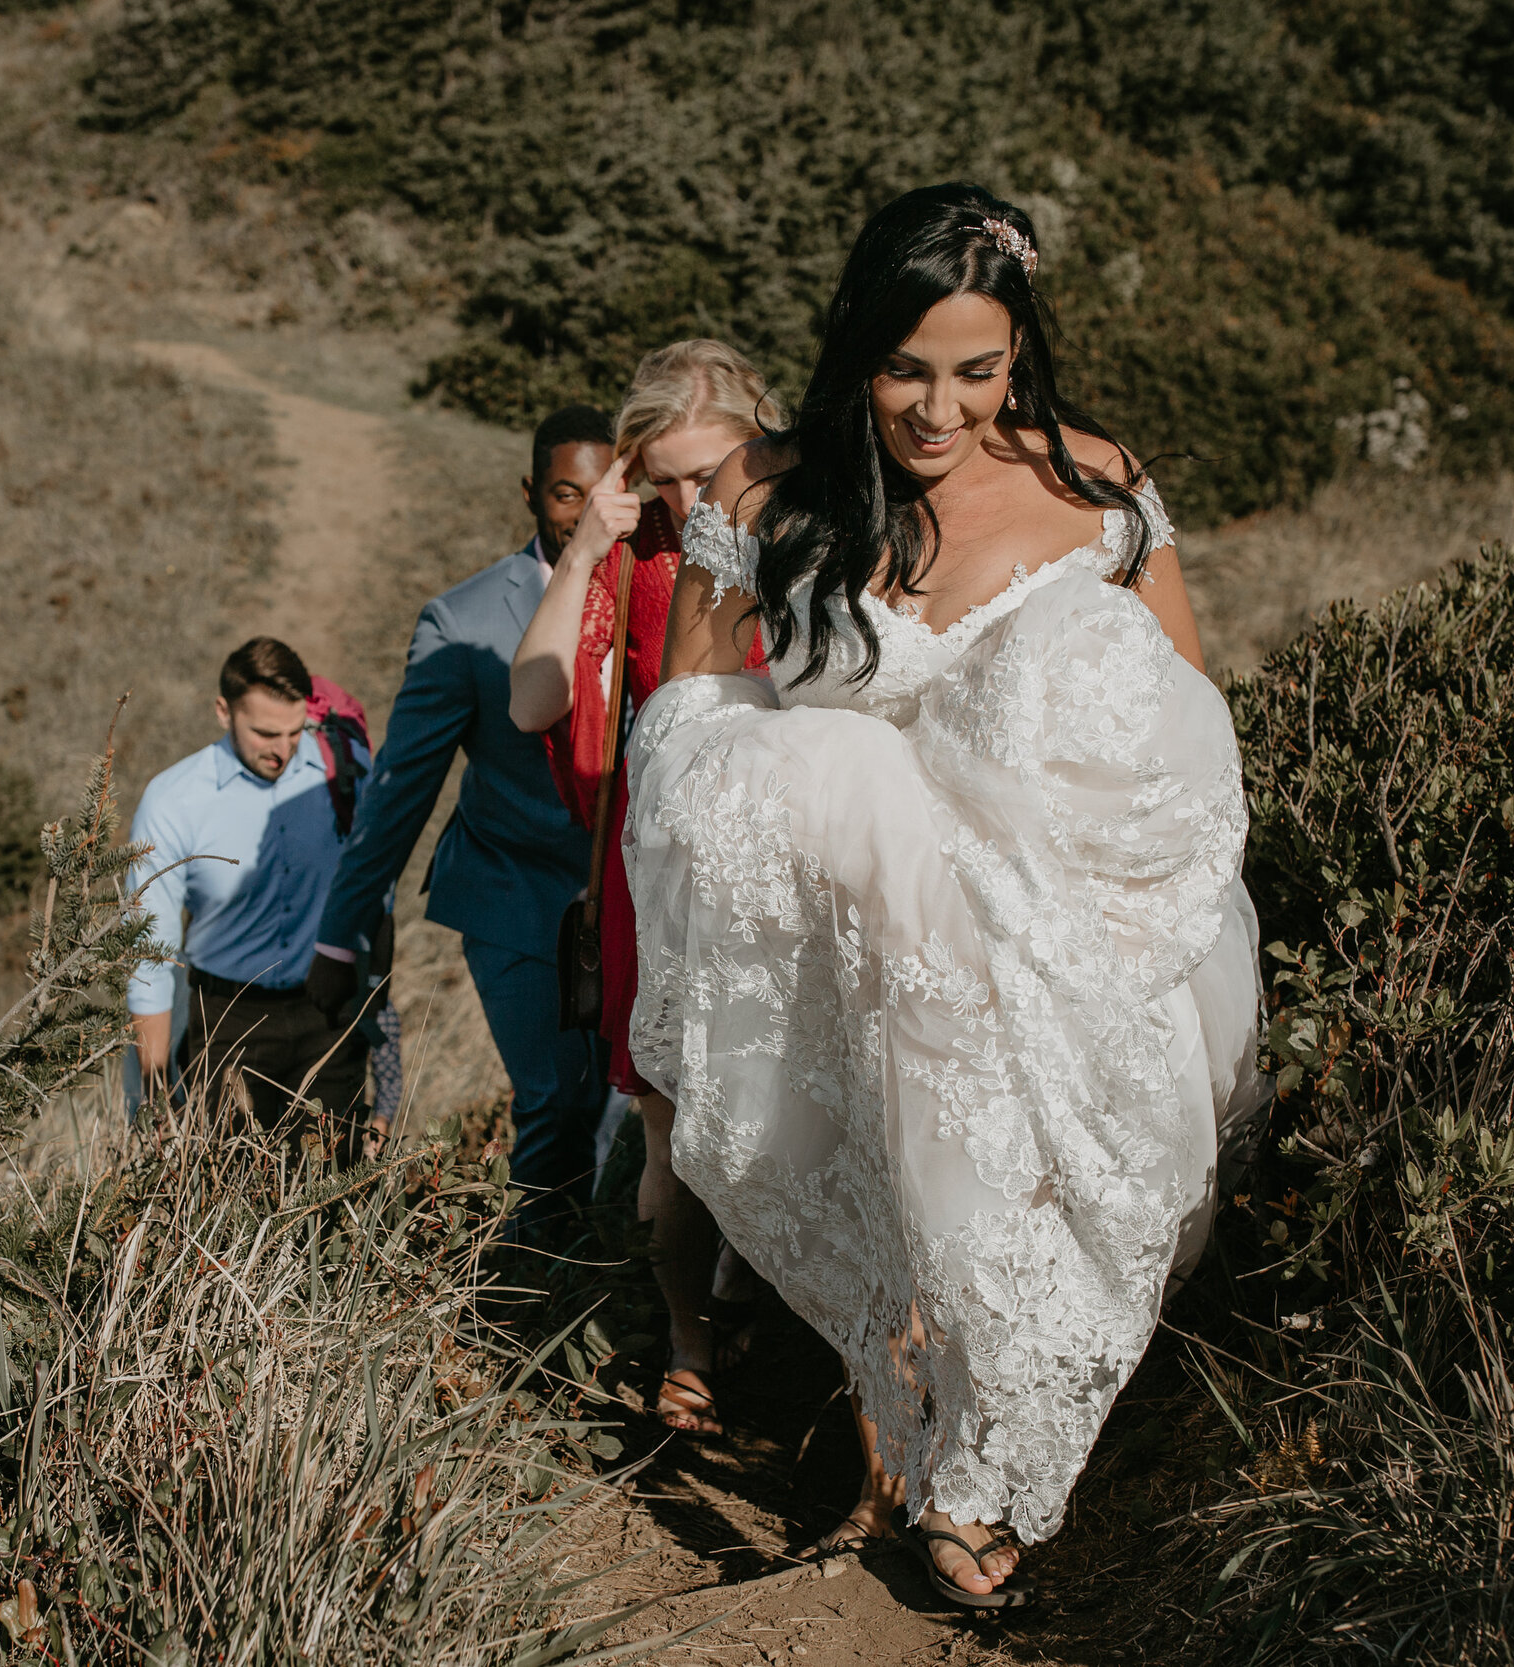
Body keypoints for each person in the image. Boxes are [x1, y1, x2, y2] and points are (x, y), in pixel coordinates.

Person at [623, 185, 1267, 1608]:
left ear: (1021, 351)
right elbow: (680, 723)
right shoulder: (768, 496)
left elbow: (1181, 708)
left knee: (1008, 1187)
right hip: (834, 928)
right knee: (896, 1199)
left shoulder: (1094, 484)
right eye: (908, 367)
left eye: (979, 371)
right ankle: (885, 1454)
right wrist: (832, 787)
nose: (939, 407)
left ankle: (972, 1479)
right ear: (858, 343)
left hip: (1032, 917)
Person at [508, 341, 780, 1435]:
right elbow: (534, 705)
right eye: (661, 473)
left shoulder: (813, 532)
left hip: (779, 844)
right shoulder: (634, 555)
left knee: (781, 1099)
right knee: (668, 1118)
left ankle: (765, 1298)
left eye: (705, 467)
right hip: (656, 866)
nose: (686, 495)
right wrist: (583, 551)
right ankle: (688, 1340)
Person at [306, 408, 620, 1223]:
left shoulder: (660, 587)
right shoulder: (463, 620)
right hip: (514, 890)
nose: (585, 512)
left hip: (629, 898)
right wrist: (340, 936)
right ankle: (532, 1297)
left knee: (632, 1105)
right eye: (563, 492)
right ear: (529, 493)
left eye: (602, 490)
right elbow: (401, 792)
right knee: (558, 1098)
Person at [126, 637, 383, 1162]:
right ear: (224, 711)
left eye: (294, 731)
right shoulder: (173, 801)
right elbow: (148, 957)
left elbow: (378, 878)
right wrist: (154, 1092)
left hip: (328, 1010)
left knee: (332, 1184)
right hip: (226, 1021)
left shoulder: (346, 769)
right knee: (228, 1190)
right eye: (265, 733)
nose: (282, 749)